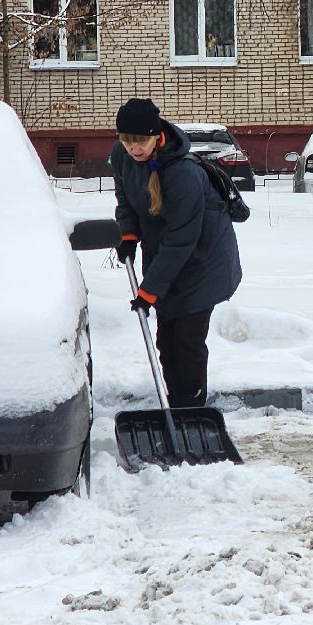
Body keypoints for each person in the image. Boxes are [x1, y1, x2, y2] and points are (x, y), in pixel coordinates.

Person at [111, 98, 242, 408]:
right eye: (127, 140)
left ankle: (191, 408)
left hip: (203, 262)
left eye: (141, 140)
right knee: (166, 341)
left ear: (157, 136)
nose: (134, 148)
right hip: (168, 258)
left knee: (186, 341)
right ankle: (178, 404)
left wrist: (150, 291)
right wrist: (128, 233)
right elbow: (125, 198)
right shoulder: (122, 157)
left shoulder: (182, 174)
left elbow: (182, 239)